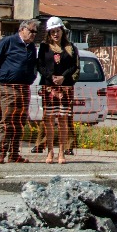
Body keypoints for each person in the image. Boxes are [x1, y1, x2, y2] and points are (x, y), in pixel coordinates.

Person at [0, 18, 39, 164]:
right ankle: (0, 153)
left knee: (19, 122)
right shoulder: (8, 42)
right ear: (22, 30)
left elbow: (33, 66)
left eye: (35, 32)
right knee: (8, 121)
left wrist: (31, 76)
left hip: (24, 87)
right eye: (31, 31)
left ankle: (14, 153)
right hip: (8, 87)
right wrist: (3, 77)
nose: (33, 34)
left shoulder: (31, 47)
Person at [32, 17, 79, 157]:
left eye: (57, 31)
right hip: (48, 87)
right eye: (52, 32)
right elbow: (40, 65)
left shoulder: (71, 48)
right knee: (48, 119)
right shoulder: (44, 47)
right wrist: (51, 77)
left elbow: (74, 66)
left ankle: (62, 152)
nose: (55, 34)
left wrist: (64, 77)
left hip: (65, 87)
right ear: (49, 33)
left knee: (64, 119)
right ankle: (49, 151)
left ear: (62, 31)